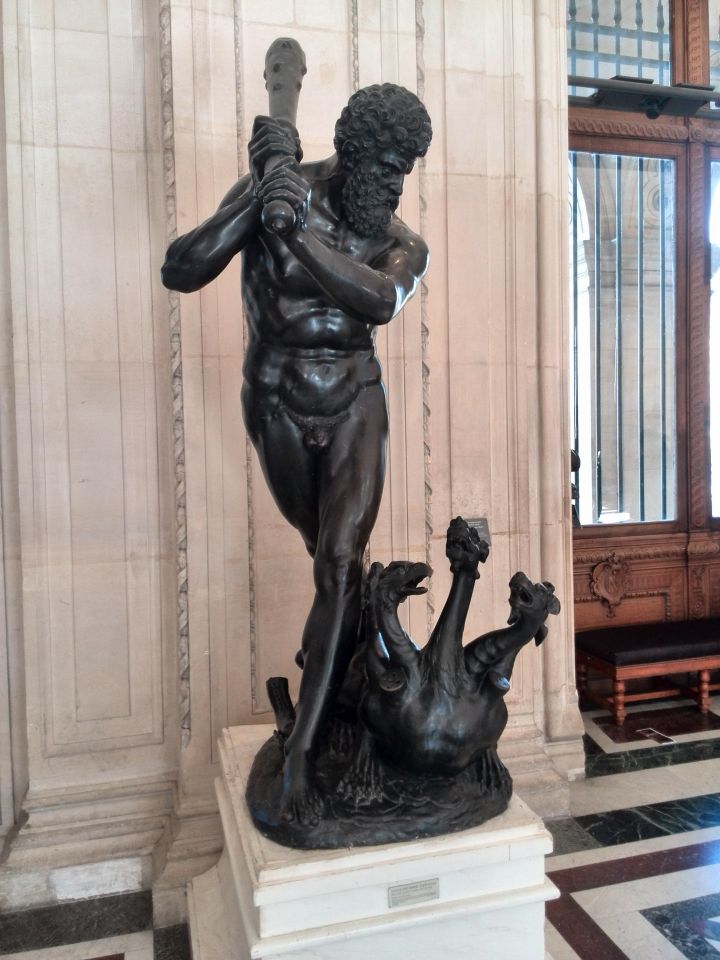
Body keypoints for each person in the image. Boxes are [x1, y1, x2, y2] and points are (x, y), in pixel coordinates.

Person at [162, 83, 432, 825]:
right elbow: (180, 269)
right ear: (351, 151)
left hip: (356, 402)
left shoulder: (403, 241)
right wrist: (258, 202)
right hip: (276, 401)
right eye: (387, 164)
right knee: (327, 561)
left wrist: (295, 237)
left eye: (406, 168)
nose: (396, 182)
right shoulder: (276, 188)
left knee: (339, 563)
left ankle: (303, 757)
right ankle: (351, 678)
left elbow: (379, 301)